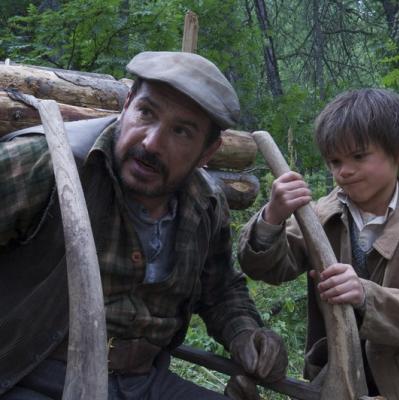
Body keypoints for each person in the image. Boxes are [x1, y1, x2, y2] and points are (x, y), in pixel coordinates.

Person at [0, 51, 287, 400]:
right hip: (31, 375)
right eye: (146, 113)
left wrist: (245, 334)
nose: (151, 143)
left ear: (207, 152)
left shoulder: (205, 203)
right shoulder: (45, 163)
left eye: (181, 131)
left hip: (143, 382)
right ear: (127, 104)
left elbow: (221, 290)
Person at [238, 88, 399, 399]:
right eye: (335, 161)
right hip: (336, 382)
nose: (344, 171)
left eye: (358, 156)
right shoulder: (320, 215)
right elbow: (266, 268)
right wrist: (273, 215)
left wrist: (367, 296)